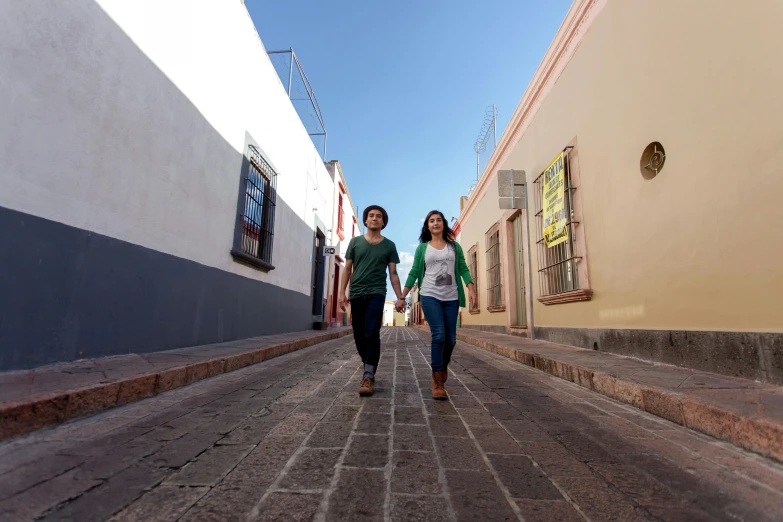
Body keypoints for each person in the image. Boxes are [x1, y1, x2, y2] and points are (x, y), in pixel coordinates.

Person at [400, 210, 476, 400]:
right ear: (427, 226)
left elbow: (463, 269)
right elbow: (415, 271)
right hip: (429, 295)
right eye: (431, 221)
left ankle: (442, 367)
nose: (435, 223)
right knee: (439, 335)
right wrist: (403, 295)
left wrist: (471, 288)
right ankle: (437, 379)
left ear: (443, 224)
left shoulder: (454, 247)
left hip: (451, 297)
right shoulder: (422, 249)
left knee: (451, 340)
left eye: (438, 220)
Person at [339, 205, 404, 396]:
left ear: (383, 222)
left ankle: (368, 375)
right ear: (366, 221)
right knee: (359, 333)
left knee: (371, 332)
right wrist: (342, 293)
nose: (374, 218)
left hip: (377, 293)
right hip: (357, 293)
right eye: (371, 216)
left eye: (379, 216)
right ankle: (369, 362)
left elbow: (393, 274)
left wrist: (400, 296)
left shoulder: (389, 246)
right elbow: (347, 269)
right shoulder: (355, 242)